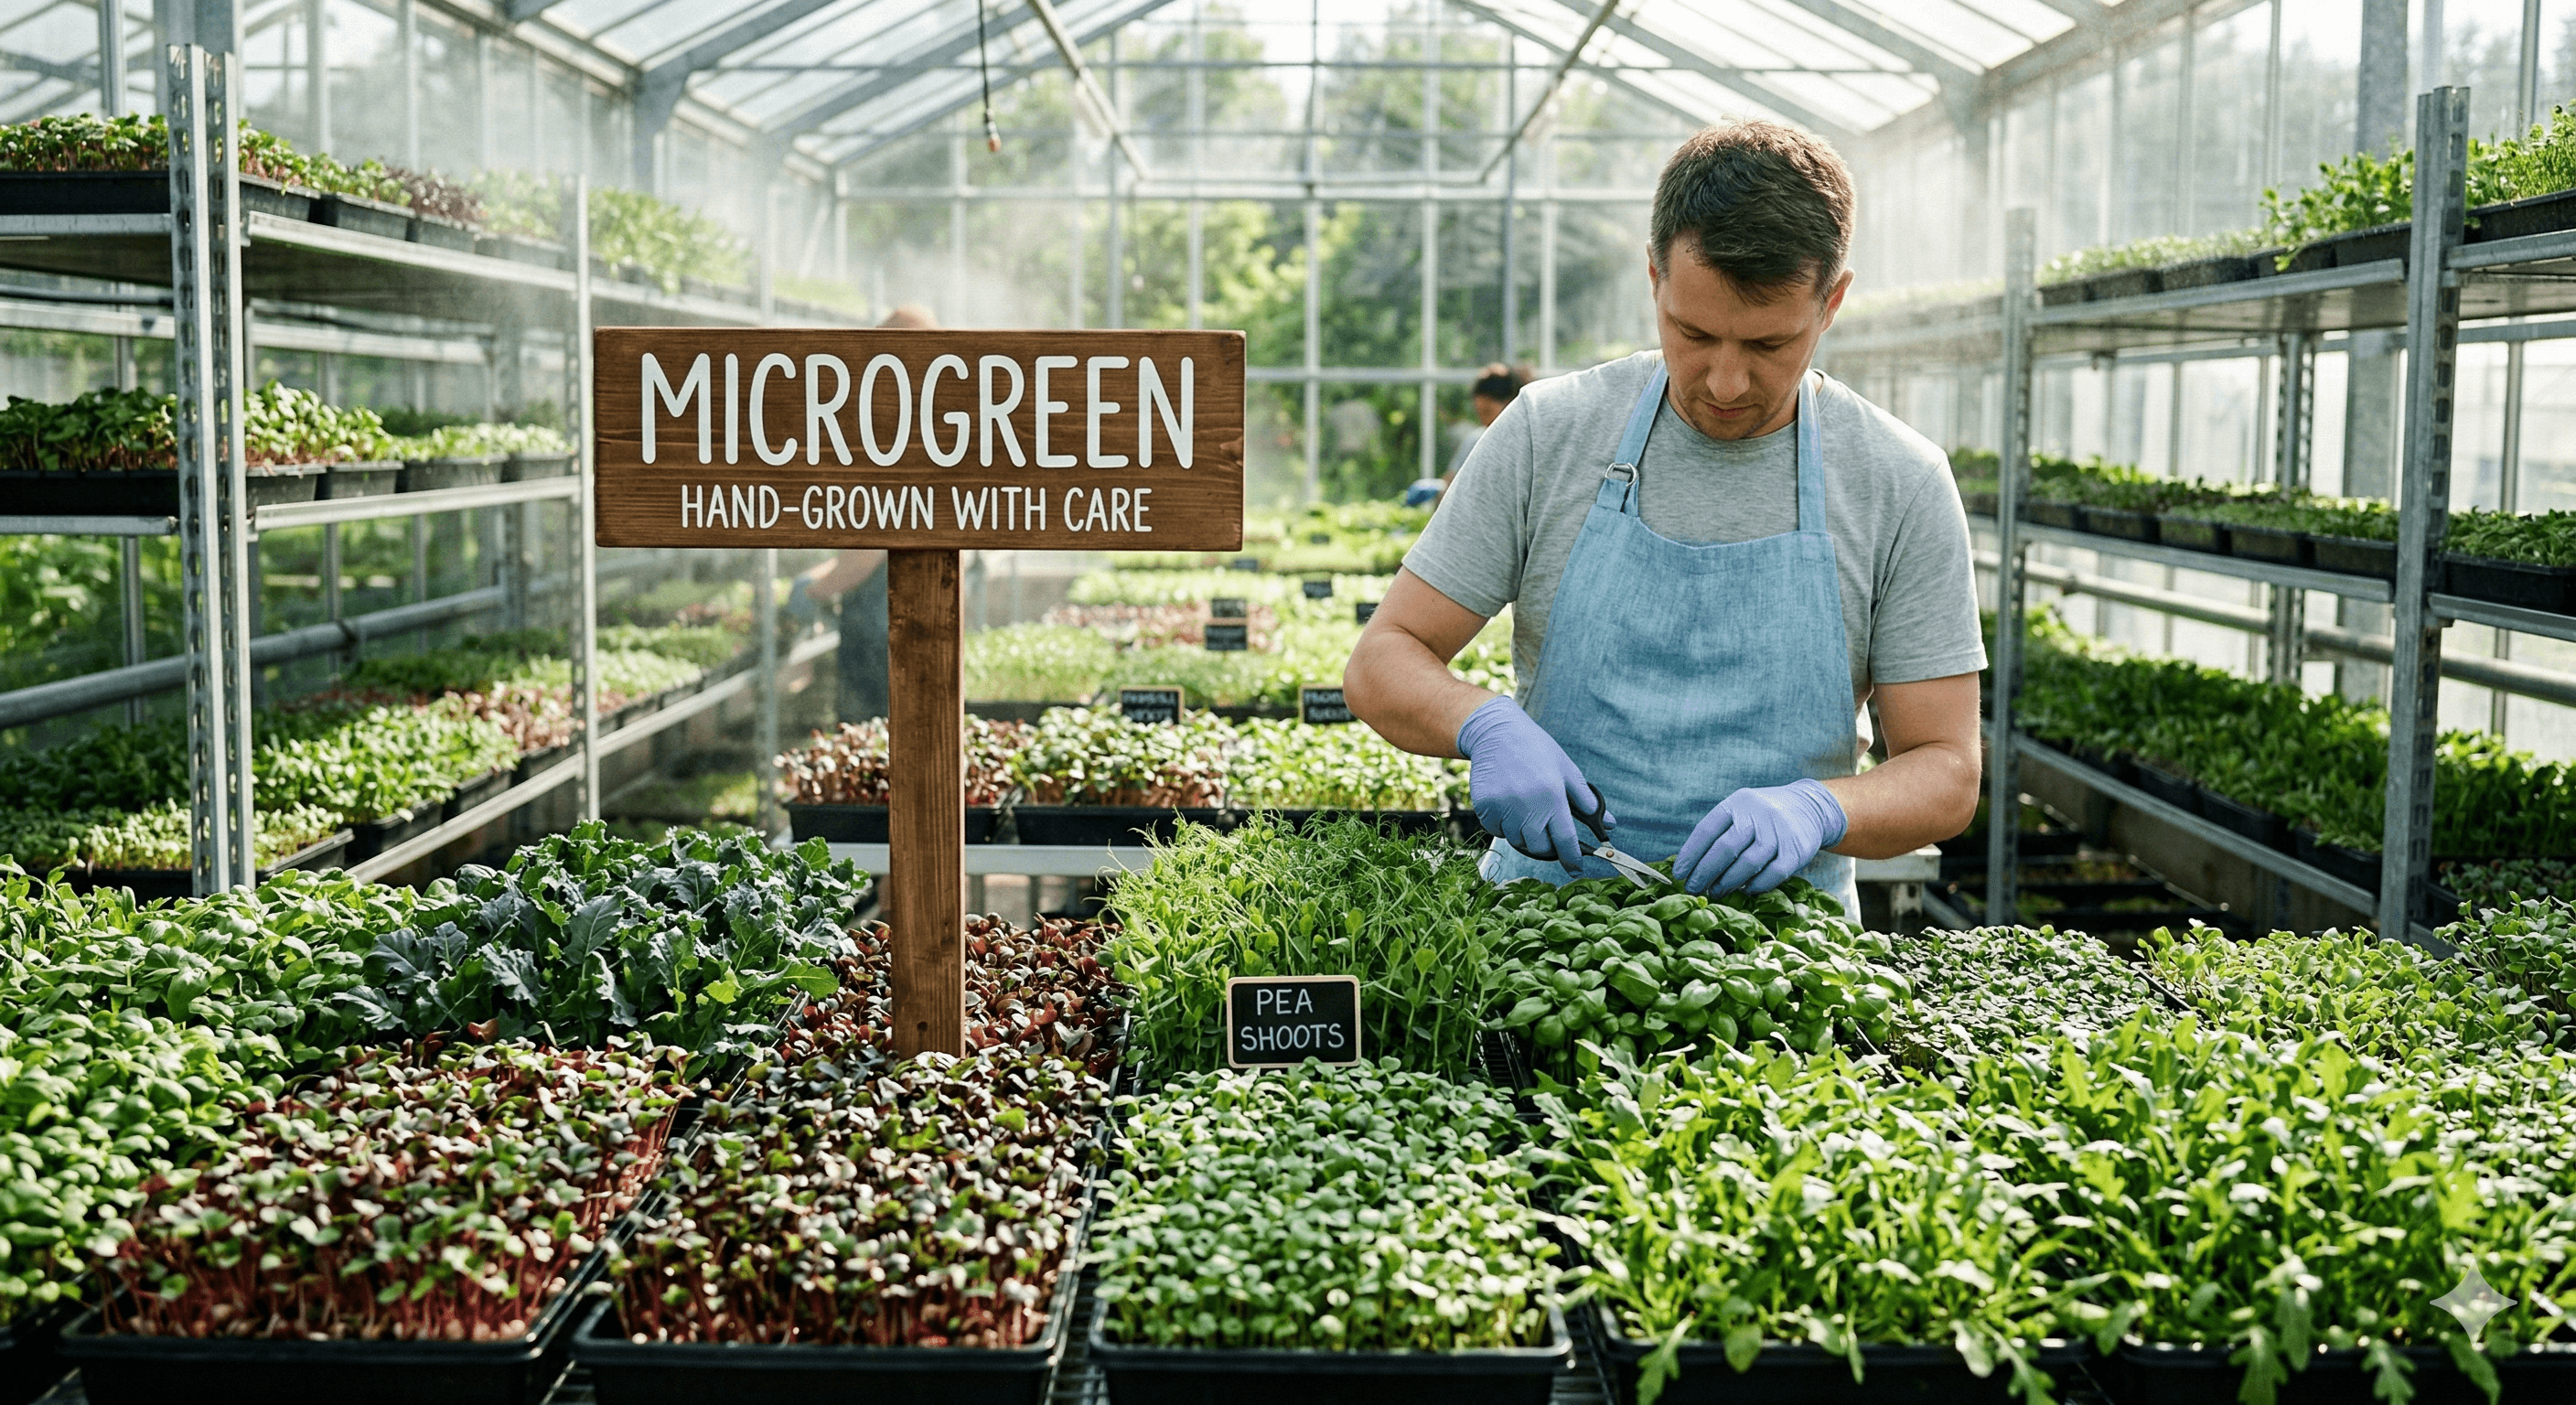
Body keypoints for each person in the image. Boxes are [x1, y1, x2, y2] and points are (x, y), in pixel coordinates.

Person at [1342, 122, 1985, 913]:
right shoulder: (1551, 431)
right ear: (1655, 279)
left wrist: (1821, 808)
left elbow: (1947, 769)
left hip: (1782, 971)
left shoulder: (1898, 480)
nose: (1723, 380)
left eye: (1769, 344)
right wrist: (1483, 725)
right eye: (1694, 332)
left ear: (1834, 301)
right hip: (1544, 942)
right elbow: (1383, 658)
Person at [790, 303, 939, 722]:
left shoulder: (890, 436)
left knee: (876, 752)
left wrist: (812, 591)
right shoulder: (940, 430)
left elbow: (869, 549)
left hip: (883, 636)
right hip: (926, 630)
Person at [1406, 363, 1527, 507]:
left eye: (1488, 411)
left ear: (1510, 404)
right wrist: (1439, 489)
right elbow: (1450, 481)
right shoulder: (1476, 440)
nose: (1486, 421)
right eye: (1479, 413)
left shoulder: (1526, 443)